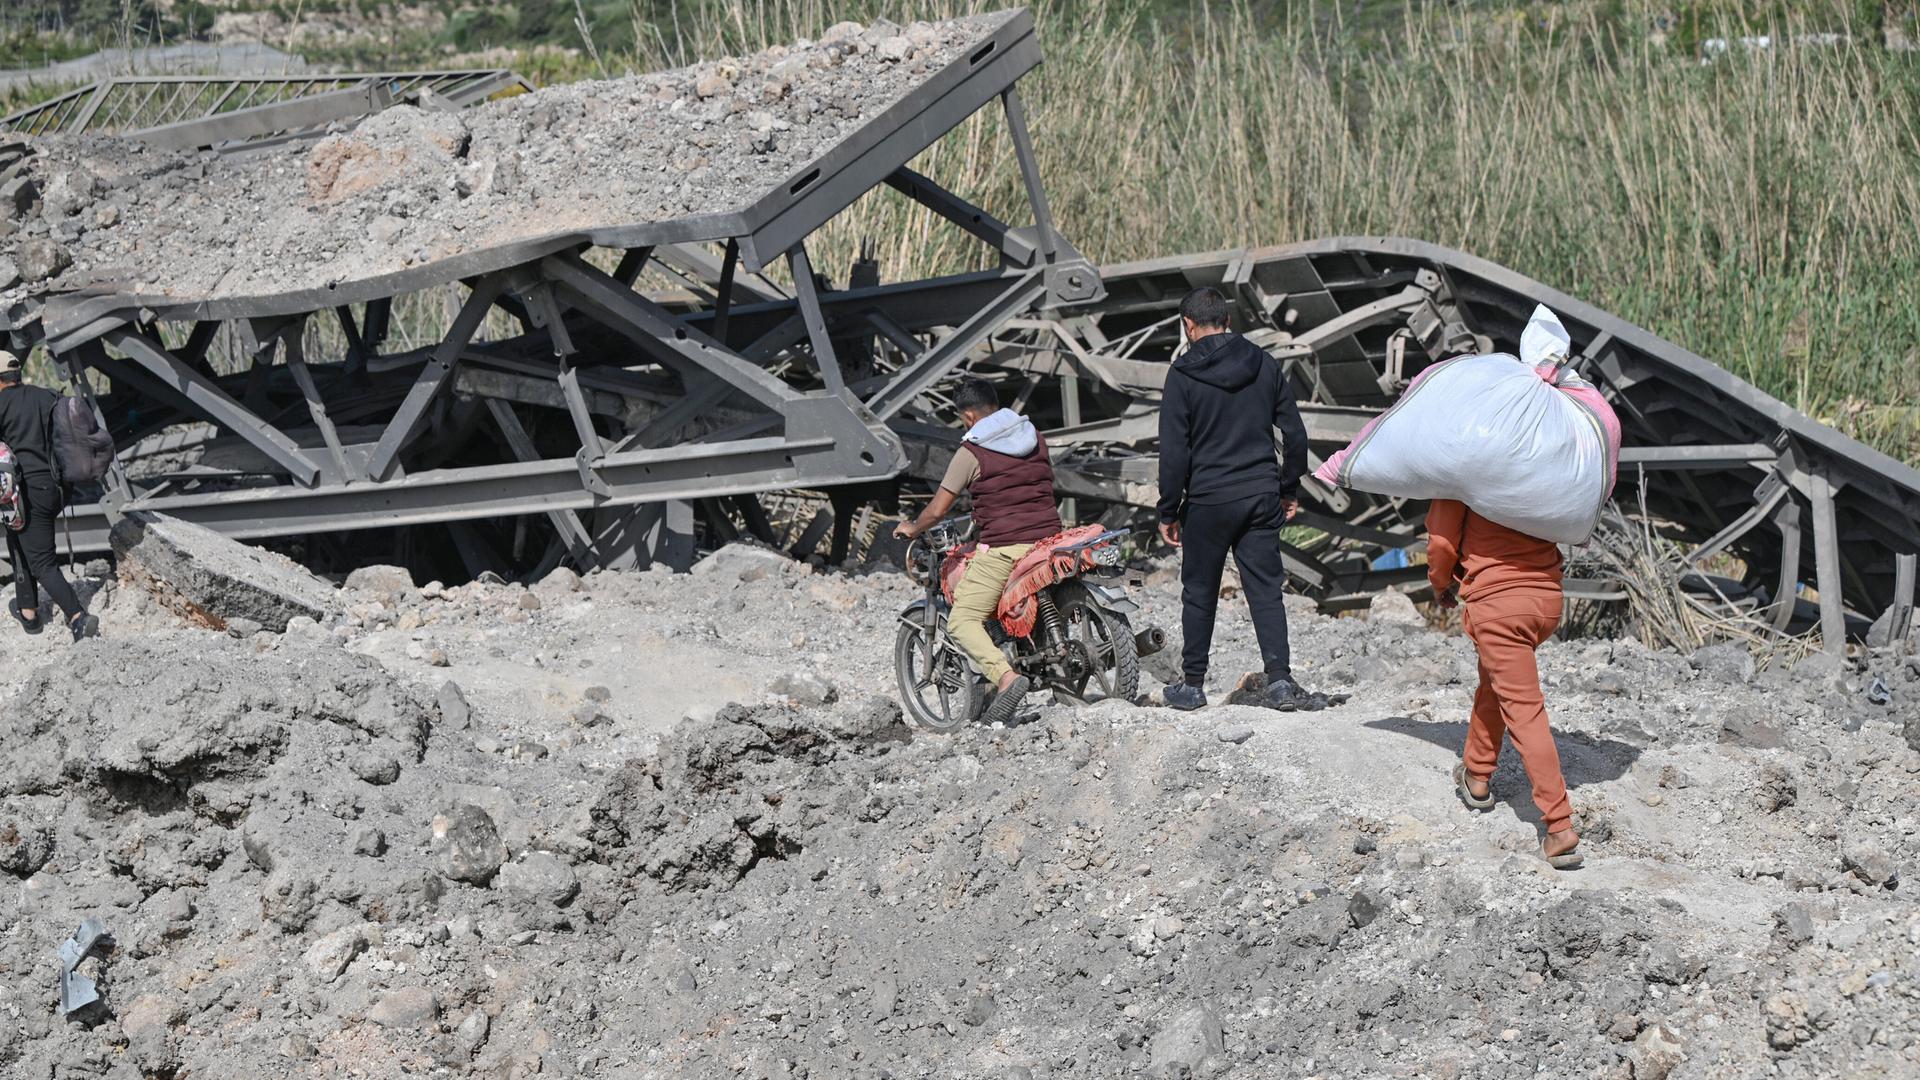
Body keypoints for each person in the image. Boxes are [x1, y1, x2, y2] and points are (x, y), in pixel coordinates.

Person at [1156, 287, 1324, 712]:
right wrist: (1288, 489)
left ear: (1188, 326)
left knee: (1199, 591)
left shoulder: (1181, 375)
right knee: (1266, 591)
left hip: (1208, 502)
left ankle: (1193, 685)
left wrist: (1168, 510)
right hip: (1259, 496)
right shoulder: (1263, 363)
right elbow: (1296, 435)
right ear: (1228, 321)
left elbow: (1174, 452)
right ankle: (1281, 681)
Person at [894, 377, 1061, 725]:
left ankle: (1005, 677)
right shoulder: (1035, 437)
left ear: (968, 417)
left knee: (962, 620)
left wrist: (912, 526)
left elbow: (938, 509)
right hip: (1050, 537)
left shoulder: (971, 452)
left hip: (1007, 547)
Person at [1426, 498, 1580, 869]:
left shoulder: (1463, 468)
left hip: (1499, 603)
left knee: (1524, 710)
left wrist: (1441, 581)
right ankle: (1477, 776)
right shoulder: (1535, 462)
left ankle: (1559, 827)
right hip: (1545, 598)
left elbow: (1442, 543)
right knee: (1495, 683)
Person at [0, 350, 97, 641]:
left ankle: (79, 618)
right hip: (57, 489)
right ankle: (28, 611)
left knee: (42, 562)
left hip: (27, 493)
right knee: (18, 537)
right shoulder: (47, 396)